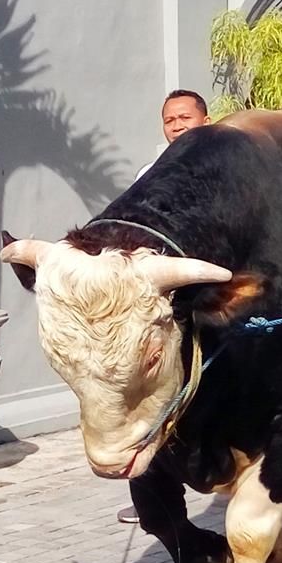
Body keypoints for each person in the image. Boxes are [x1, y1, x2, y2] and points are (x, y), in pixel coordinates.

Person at [120, 89, 212, 523]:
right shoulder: (149, 173)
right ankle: (154, 502)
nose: (176, 125)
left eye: (184, 117)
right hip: (164, 309)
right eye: (169, 119)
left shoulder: (223, 164)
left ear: (205, 120)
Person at [134, 89, 212, 181]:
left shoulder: (227, 166)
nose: (177, 127)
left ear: (206, 123)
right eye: (169, 121)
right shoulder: (149, 175)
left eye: (185, 118)